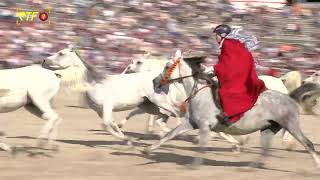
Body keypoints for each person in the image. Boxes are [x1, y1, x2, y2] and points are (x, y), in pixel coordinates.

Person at [204, 24, 267, 125]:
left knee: (226, 91)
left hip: (240, 70)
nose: (215, 38)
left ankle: (228, 114)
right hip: (240, 68)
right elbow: (227, 61)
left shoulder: (228, 44)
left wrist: (214, 68)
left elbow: (228, 63)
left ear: (223, 35)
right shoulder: (229, 43)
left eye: (216, 35)